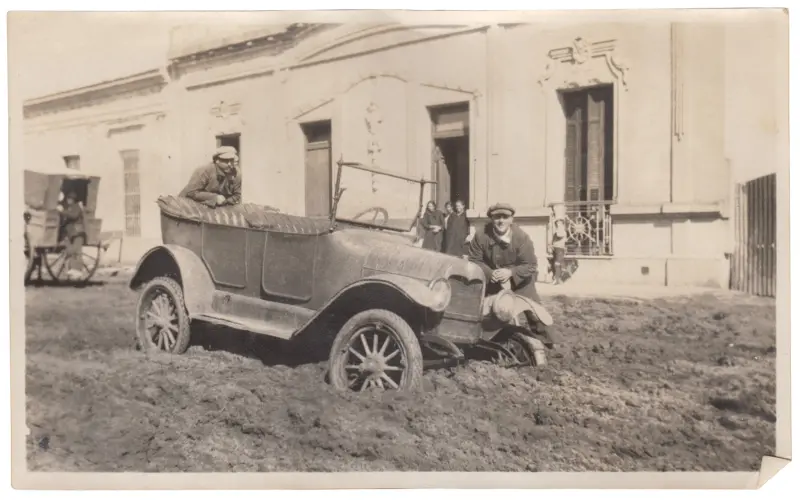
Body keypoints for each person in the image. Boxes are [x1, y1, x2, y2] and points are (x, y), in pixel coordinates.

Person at [467, 202, 560, 346]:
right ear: (491, 219)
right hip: (493, 280)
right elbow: (474, 260)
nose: (501, 221)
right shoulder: (481, 236)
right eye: (497, 217)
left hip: (521, 281)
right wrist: (490, 273)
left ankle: (549, 344)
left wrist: (510, 272)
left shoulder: (522, 238)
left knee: (536, 313)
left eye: (505, 217)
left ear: (511, 219)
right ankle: (483, 343)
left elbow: (531, 265)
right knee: (486, 311)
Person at [58, 191, 86, 281]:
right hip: (73, 233)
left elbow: (73, 216)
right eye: (68, 199)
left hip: (78, 232)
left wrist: (62, 211)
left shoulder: (77, 207)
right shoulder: (71, 207)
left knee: (76, 252)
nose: (68, 200)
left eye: (70, 199)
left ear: (73, 200)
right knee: (72, 251)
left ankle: (78, 272)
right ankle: (73, 272)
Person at [550, 205, 567, 285]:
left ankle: (557, 279)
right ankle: (558, 279)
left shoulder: (561, 230)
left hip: (560, 249)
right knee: (557, 263)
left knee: (557, 263)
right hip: (556, 249)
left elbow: (559, 235)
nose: (557, 223)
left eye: (558, 222)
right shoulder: (558, 229)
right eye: (557, 223)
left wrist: (558, 226)